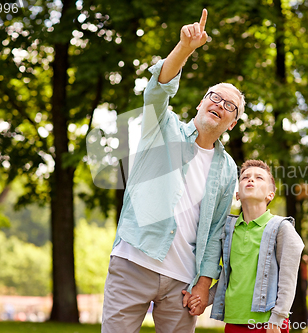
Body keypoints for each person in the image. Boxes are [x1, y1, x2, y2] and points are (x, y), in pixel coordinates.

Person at [101, 8, 245, 333]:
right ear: (199, 103)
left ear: (232, 123)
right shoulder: (162, 127)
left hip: (182, 280)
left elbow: (215, 234)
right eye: (214, 97)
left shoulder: (227, 169)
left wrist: (204, 283)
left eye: (229, 105)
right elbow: (157, 90)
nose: (219, 104)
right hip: (133, 263)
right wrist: (185, 48)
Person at [187, 160, 304, 333]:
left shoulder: (282, 228)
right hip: (234, 321)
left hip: (268, 322)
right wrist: (203, 298)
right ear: (237, 195)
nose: (251, 180)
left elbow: (288, 279)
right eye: (245, 177)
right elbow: (229, 279)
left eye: (259, 178)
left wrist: (278, 318)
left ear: (270, 194)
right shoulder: (228, 229)